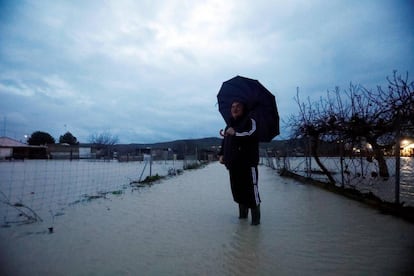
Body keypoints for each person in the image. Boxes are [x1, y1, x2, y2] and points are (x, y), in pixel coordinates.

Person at [218, 101, 261, 225]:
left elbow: (251, 134)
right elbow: (225, 142)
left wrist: (236, 133)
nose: (234, 109)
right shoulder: (229, 125)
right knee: (238, 193)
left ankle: (255, 225)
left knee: (252, 194)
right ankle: (242, 222)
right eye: (232, 106)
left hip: (248, 164)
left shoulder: (250, 121)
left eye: (238, 106)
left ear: (244, 109)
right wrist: (221, 154)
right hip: (233, 165)